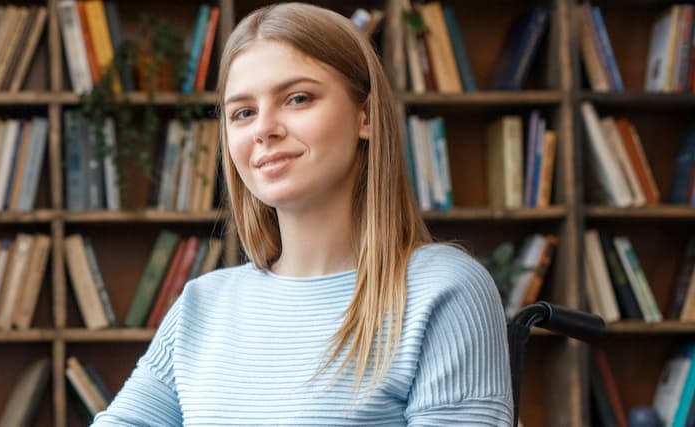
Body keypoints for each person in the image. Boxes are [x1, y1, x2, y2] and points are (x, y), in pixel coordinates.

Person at [91, 3, 513, 425]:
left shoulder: (442, 290)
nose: (264, 129)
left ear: (364, 115)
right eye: (243, 112)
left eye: (297, 99)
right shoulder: (203, 304)